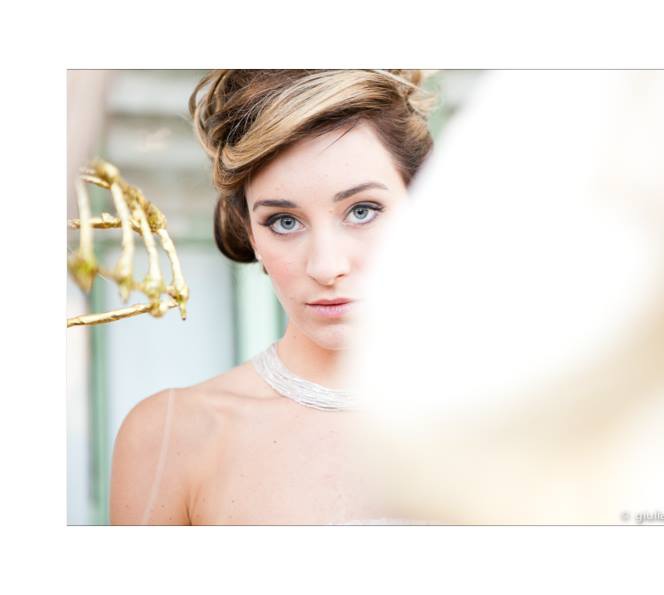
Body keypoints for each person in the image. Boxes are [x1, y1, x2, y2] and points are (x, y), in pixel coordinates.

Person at [109, 70, 436, 525]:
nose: (326, 266)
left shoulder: (515, 417)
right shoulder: (170, 437)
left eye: (362, 211)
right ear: (250, 234)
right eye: (284, 222)